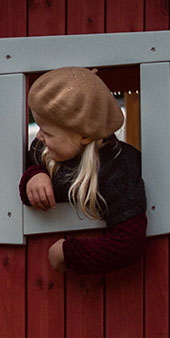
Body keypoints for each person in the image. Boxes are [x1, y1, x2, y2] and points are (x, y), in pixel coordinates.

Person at [19, 67, 146, 274]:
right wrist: (34, 176)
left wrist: (69, 253)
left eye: (48, 132)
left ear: (85, 136)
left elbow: (128, 244)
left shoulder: (117, 171)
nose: (39, 137)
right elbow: (28, 160)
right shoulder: (45, 150)